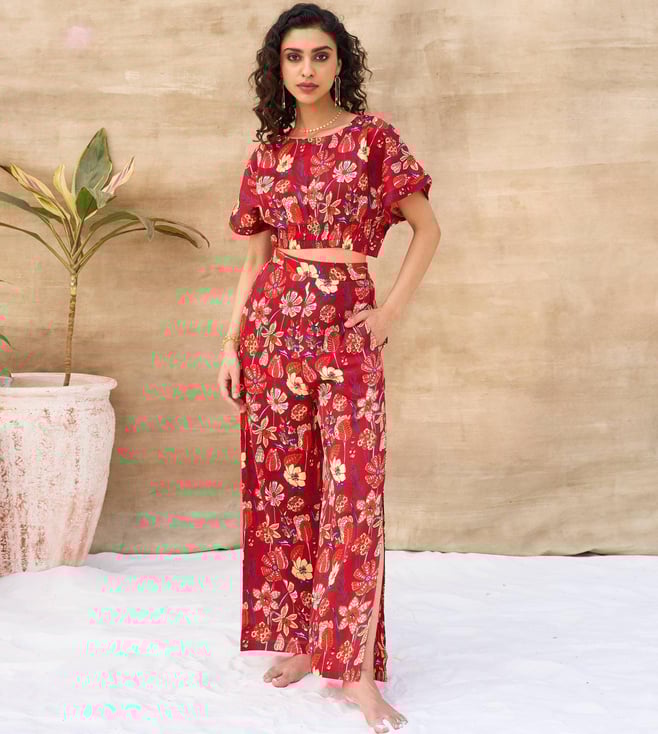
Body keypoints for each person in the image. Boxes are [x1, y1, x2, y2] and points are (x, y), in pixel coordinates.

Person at [218, 4, 441, 732]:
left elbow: (427, 229)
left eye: (320, 55)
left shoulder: (373, 139)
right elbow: (254, 260)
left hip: (347, 329)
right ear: (277, 68)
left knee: (353, 493)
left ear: (341, 62)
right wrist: (230, 344)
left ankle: (356, 672)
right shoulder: (267, 155)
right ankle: (308, 643)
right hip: (273, 332)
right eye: (293, 57)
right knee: (286, 491)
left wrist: (390, 312)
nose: (307, 69)